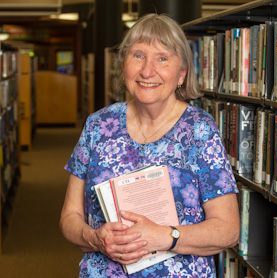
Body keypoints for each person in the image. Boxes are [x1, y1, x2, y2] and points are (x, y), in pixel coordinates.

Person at [59, 13, 240, 277]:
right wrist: (94, 238)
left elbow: (228, 230)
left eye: (162, 58)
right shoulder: (98, 125)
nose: (147, 70)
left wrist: (166, 236)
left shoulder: (200, 130)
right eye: (138, 56)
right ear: (123, 66)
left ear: (182, 74)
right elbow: (69, 217)